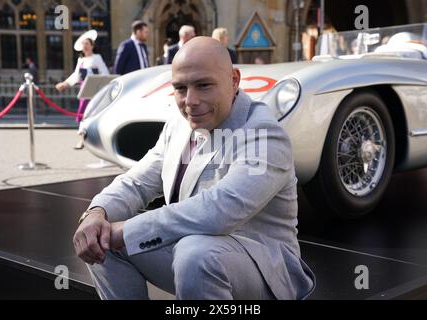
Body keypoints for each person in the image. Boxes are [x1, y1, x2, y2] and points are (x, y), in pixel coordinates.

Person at [73, 36, 315, 300]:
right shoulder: (179, 125)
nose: (190, 100)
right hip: (195, 255)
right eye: (180, 88)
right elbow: (138, 181)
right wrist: (98, 213)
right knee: (100, 240)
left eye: (203, 85)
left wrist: (127, 231)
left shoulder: (263, 134)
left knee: (195, 253)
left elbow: (220, 209)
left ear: (234, 80)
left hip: (265, 273)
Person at [55, 30, 109, 149]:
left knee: (95, 114)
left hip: (96, 89)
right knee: (83, 113)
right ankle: (82, 139)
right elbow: (76, 76)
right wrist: (65, 84)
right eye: (83, 44)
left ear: (92, 46)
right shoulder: (81, 60)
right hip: (84, 90)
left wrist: (98, 82)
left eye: (87, 44)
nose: (85, 46)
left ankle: (98, 140)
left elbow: (105, 72)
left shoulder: (97, 58)